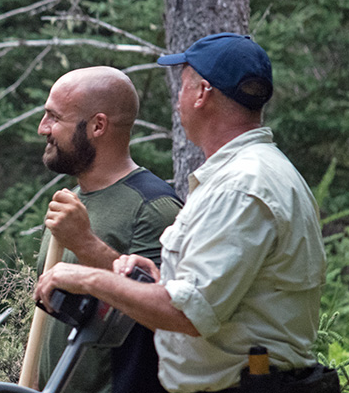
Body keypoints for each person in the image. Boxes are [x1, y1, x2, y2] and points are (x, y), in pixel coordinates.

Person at [34, 33, 332, 393]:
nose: (178, 100)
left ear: (202, 93)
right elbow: (215, 298)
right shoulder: (253, 173)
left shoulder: (241, 185)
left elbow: (188, 314)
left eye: (182, 86)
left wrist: (87, 278)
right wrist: (162, 282)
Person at [31, 66, 181, 392]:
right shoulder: (72, 203)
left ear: (98, 126)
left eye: (54, 117)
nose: (43, 128)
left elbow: (171, 317)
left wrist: (85, 244)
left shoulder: (153, 208)